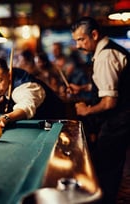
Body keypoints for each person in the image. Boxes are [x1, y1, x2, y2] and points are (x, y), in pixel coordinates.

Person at [69, 16, 130, 204]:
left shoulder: (105, 56)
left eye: (81, 39)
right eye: (76, 40)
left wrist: (86, 110)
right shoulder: (107, 50)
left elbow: (109, 102)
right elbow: (111, 84)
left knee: (106, 169)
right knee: (108, 166)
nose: (78, 45)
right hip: (121, 119)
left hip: (119, 120)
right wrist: (83, 89)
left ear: (94, 34)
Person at [0, 57, 66, 128]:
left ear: (9, 74)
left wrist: (5, 118)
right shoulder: (9, 80)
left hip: (59, 127)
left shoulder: (24, 87)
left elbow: (25, 107)